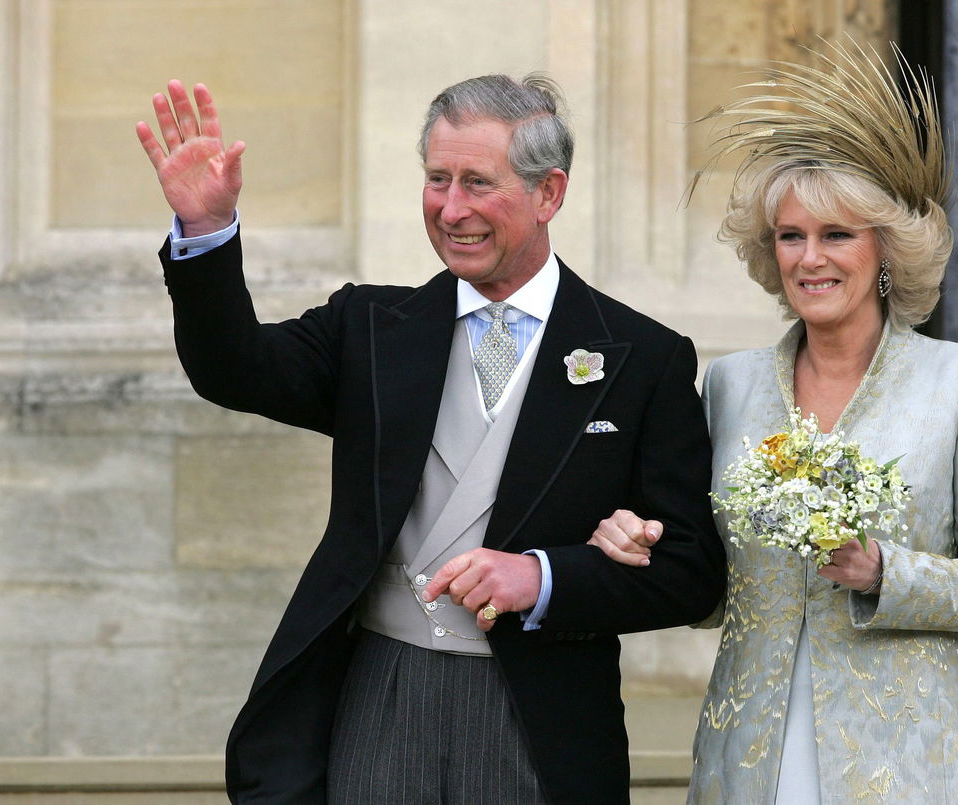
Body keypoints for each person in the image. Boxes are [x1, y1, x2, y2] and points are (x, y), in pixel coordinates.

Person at [136, 74, 725, 803]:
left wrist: (542, 577)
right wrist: (207, 233)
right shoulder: (371, 330)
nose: (452, 209)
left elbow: (692, 570)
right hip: (380, 694)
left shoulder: (643, 357)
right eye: (437, 179)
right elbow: (235, 370)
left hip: (539, 717)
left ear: (549, 194)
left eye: (478, 182)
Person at [590, 44, 958, 802]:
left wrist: (884, 571)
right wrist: (643, 546)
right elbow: (710, 579)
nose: (810, 258)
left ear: (885, 250)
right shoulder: (730, 384)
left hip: (903, 756)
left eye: (837, 235)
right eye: (791, 236)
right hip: (749, 746)